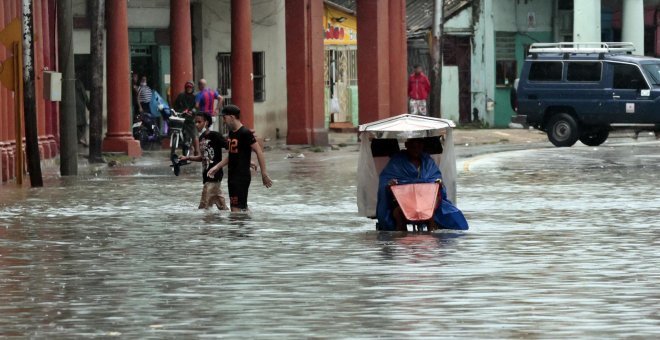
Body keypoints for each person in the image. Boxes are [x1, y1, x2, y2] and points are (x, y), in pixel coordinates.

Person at [376, 138, 468, 232]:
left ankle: (433, 233)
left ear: (422, 146)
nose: (416, 149)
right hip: (404, 201)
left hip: (427, 201)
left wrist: (438, 183)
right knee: (397, 213)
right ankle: (401, 234)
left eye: (418, 146)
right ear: (407, 145)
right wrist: (390, 184)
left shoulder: (428, 161)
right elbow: (385, 180)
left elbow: (435, 178)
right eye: (413, 146)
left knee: (441, 208)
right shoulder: (397, 161)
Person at [207, 104, 272, 212]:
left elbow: (259, 152)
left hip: (241, 177)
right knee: (241, 209)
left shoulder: (245, 133)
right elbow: (232, 155)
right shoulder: (232, 133)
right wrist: (217, 167)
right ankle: (247, 226)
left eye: (224, 117)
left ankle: (241, 228)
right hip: (232, 176)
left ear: (232, 117)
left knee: (235, 210)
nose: (223, 121)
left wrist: (264, 174)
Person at [179, 112, 229, 210]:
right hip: (206, 175)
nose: (196, 124)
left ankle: (207, 225)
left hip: (214, 175)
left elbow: (231, 148)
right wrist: (187, 157)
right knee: (222, 207)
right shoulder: (201, 138)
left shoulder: (215, 135)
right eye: (195, 122)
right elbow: (203, 157)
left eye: (199, 122)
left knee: (203, 207)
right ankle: (235, 219)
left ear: (206, 122)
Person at [174, 81, 199, 157]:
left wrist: (193, 111)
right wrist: (180, 111)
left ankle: (197, 151)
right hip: (181, 117)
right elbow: (176, 106)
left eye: (190, 87)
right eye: (187, 87)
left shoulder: (195, 96)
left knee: (194, 134)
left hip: (191, 118)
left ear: (193, 88)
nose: (189, 89)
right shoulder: (181, 96)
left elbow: (197, 106)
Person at [75, 78, 90, 146]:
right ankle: (81, 139)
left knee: (76, 124)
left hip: (71, 106)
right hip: (80, 105)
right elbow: (84, 95)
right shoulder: (79, 82)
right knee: (82, 124)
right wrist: (89, 106)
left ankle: (80, 139)